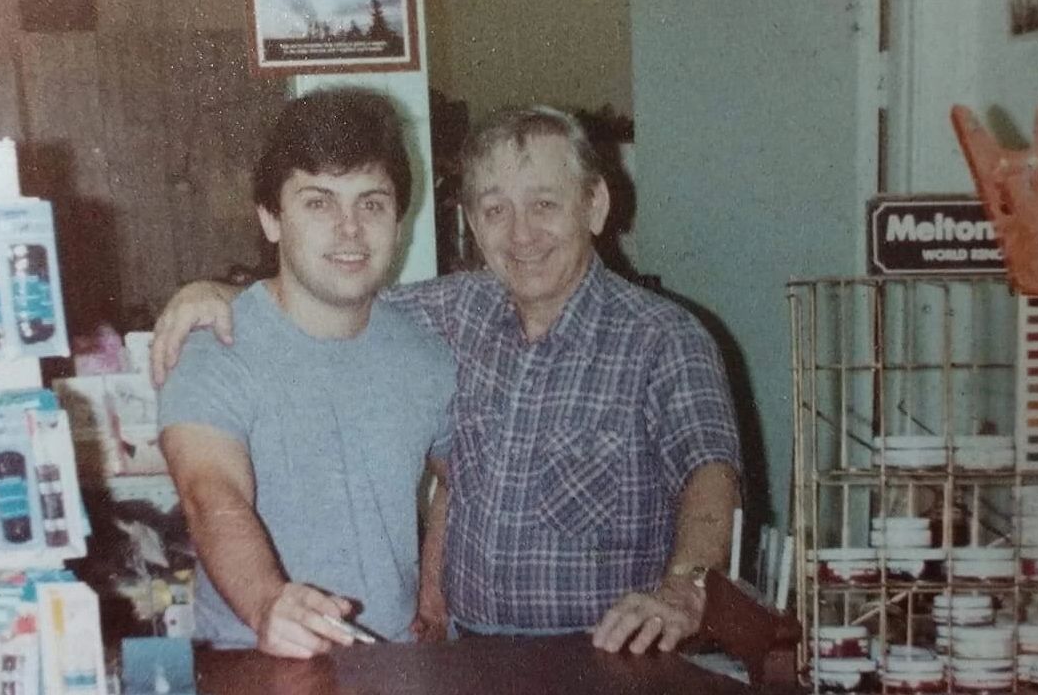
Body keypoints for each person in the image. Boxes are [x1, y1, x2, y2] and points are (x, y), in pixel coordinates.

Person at [153, 105, 742, 655]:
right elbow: (327, 300)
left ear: (594, 205)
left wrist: (685, 588)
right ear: (472, 223)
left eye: (544, 205)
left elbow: (710, 473)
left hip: (602, 657)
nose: (520, 234)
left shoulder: (666, 337)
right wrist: (221, 294)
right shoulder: (455, 313)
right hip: (455, 656)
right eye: (495, 210)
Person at [156, 88, 456, 658]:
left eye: (371, 203)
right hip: (254, 655)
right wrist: (269, 601)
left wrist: (433, 593)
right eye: (319, 202)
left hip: (390, 659)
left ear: (399, 219)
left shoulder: (427, 355)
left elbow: (461, 474)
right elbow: (210, 493)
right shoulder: (214, 344)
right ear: (271, 218)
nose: (349, 229)